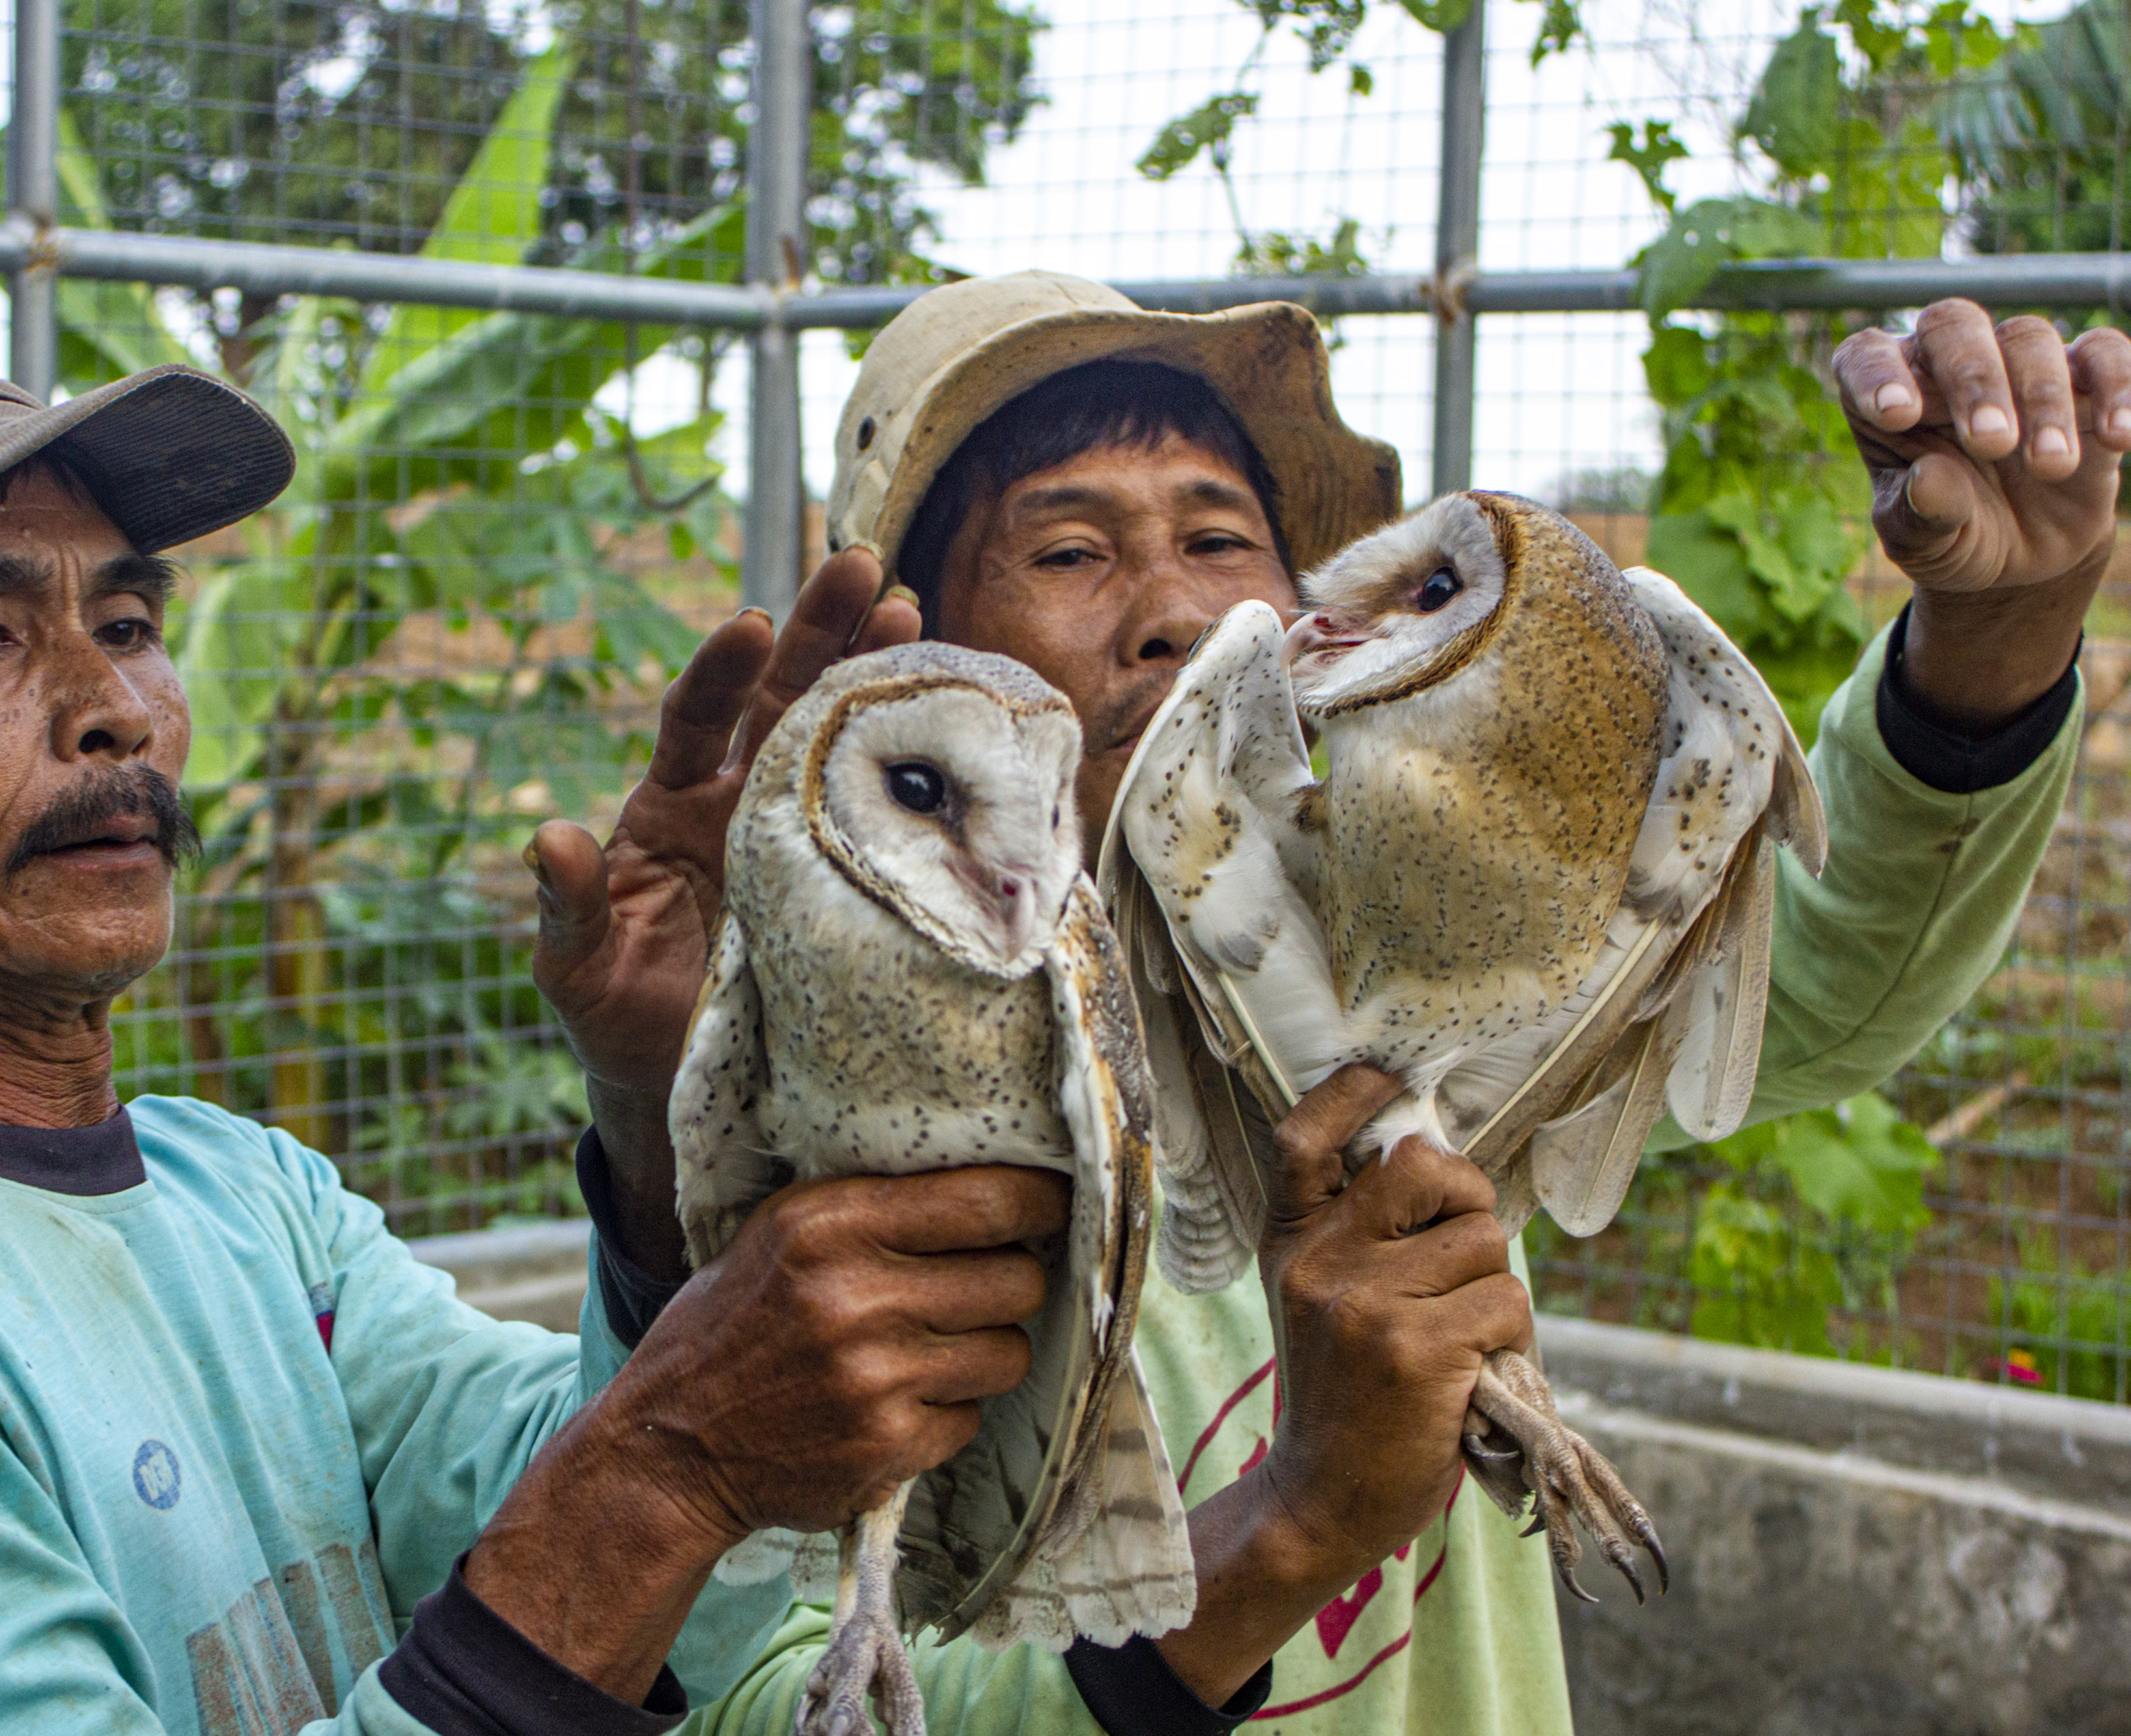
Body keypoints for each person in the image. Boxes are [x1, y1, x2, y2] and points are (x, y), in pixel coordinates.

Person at [528, 275, 2115, 1733]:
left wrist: (1996, 622)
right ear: (922, 649)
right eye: (1068, 550)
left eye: (1221, 542)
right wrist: (1293, 1519)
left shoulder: (1365, 969)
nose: (1168, 605)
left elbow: (1812, 973)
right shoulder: (862, 1152)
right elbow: (761, 1696)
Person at [0, 327, 1076, 1736]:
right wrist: (670, 1463)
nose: (115, 707)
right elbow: (627, 1502)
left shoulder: (240, 1197)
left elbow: (607, 1554)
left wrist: (670, 1121)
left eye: (127, 619)